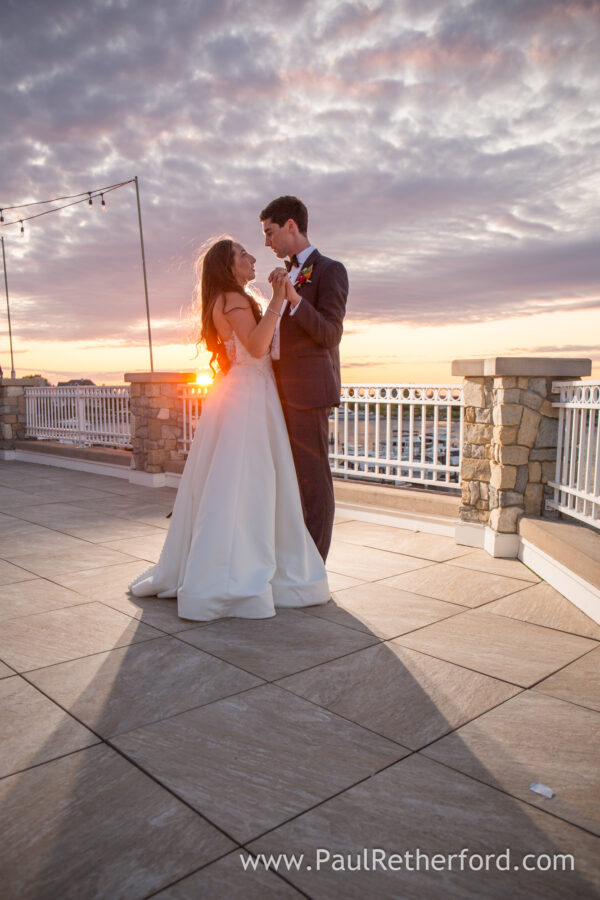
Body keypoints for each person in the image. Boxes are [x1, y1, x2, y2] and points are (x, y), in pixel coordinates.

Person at [129, 237, 330, 621]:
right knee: (249, 481)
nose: (252, 257)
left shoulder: (222, 299)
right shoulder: (234, 299)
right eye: (243, 255)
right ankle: (235, 572)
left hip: (240, 391)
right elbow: (256, 347)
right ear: (229, 266)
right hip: (250, 396)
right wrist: (277, 298)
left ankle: (226, 559)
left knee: (232, 481)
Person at [260, 196, 348, 561]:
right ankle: (292, 557)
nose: (267, 242)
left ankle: (314, 565)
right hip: (277, 390)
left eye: (270, 232)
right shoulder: (286, 272)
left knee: (313, 482)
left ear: (291, 225)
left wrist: (295, 298)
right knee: (287, 479)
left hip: (309, 393)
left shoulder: (330, 270)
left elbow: (330, 334)